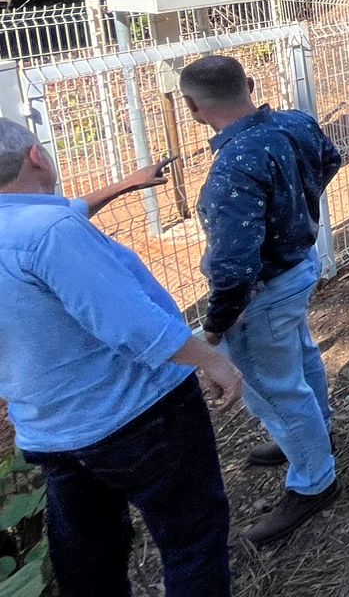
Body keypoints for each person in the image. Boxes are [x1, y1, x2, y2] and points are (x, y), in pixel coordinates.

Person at [1, 118, 244, 596]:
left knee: (90, 557)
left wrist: (126, 184)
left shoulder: (31, 227)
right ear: (36, 157)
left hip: (52, 433)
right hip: (137, 417)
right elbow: (130, 324)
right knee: (192, 537)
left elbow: (51, 225)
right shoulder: (51, 231)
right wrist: (210, 360)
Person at [179, 54, 344, 546]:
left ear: (192, 108)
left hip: (265, 291)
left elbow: (233, 267)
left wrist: (215, 327)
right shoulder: (296, 124)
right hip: (299, 266)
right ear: (247, 84)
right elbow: (330, 160)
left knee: (273, 385)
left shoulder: (233, 166)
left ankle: (315, 479)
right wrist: (293, 210)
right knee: (300, 355)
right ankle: (318, 434)